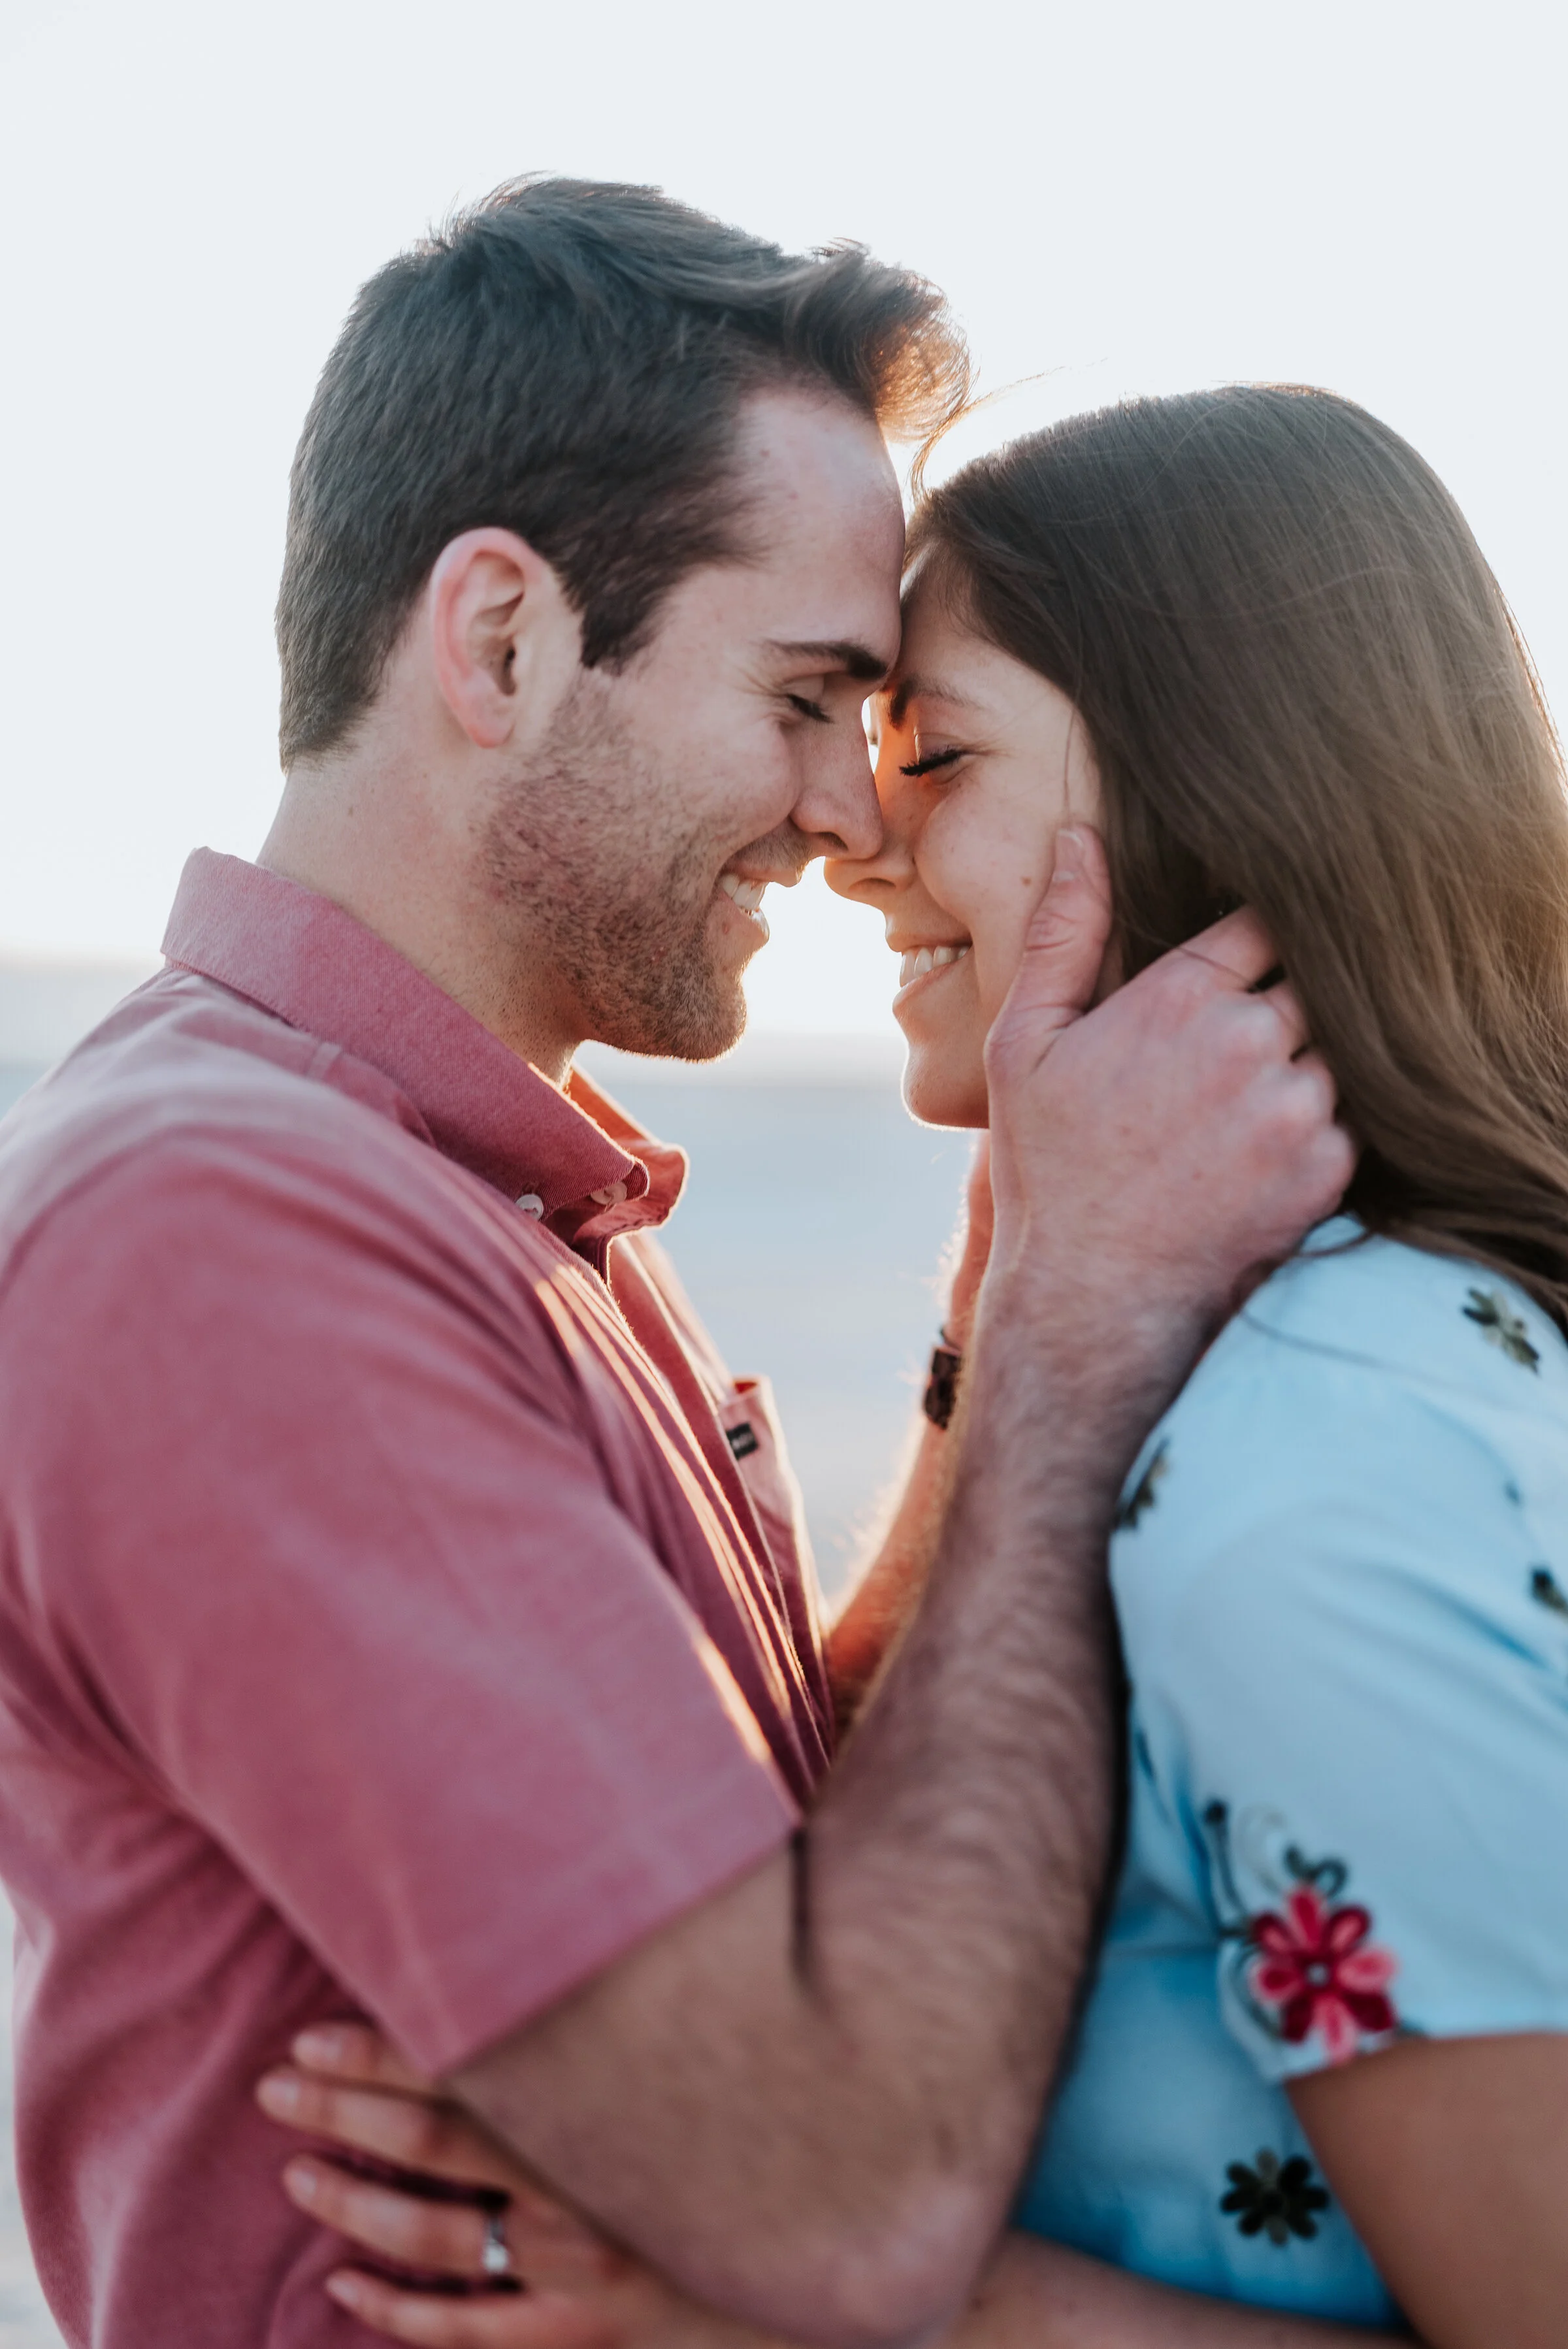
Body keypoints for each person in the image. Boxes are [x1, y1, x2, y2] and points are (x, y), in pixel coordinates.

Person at [0, 188, 1345, 2349]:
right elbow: (844, 2209)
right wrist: (1081, 1346)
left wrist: (1014, 1299)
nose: (852, 814)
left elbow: (809, 1880)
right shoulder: (222, 1235)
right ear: (505, 640)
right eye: (810, 696)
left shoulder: (478, 1183)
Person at [269, 386, 1568, 2349]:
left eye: (934, 756)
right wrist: (1032, 1311)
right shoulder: (1370, 1351)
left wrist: (765, 2295)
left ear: (1216, 776)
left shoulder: (1304, 1487)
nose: (855, 837)